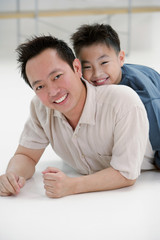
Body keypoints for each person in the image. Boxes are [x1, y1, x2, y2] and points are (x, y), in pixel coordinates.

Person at [0, 35, 155, 198]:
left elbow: (126, 174)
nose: (52, 91)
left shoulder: (122, 101)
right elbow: (26, 155)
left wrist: (70, 186)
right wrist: (12, 176)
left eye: (57, 76)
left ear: (76, 68)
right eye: (40, 86)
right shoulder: (40, 108)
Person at [71, 23, 160, 169]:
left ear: (121, 59)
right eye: (87, 67)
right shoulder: (85, 85)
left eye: (104, 63)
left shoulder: (143, 96)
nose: (97, 74)